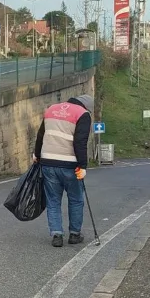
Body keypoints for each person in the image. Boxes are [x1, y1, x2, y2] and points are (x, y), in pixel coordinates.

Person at [33, 95, 93, 247]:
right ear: (87, 107)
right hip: (70, 165)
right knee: (76, 199)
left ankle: (57, 235)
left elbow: (41, 135)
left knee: (53, 200)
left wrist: (37, 155)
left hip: (48, 162)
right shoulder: (82, 114)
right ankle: (74, 234)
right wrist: (83, 166)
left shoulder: (51, 109)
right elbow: (80, 142)